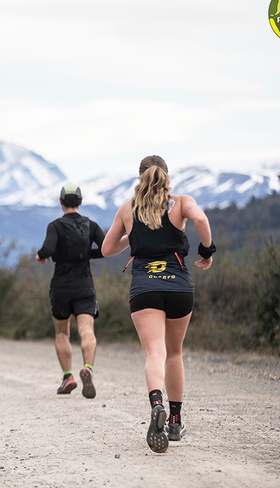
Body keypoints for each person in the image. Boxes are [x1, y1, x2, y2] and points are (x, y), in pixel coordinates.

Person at [101, 155, 215, 453]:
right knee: (174, 353)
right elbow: (201, 220)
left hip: (145, 289)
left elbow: (107, 248)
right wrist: (206, 251)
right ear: (166, 175)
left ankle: (156, 404)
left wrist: (132, 236)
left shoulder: (127, 209)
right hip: (179, 287)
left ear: (140, 177)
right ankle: (175, 421)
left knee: (155, 352)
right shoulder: (182, 203)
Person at [35, 182, 107, 399]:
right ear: (81, 202)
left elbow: (48, 248)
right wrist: (86, 253)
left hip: (61, 287)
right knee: (86, 330)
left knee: (62, 333)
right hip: (84, 286)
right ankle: (88, 368)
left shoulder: (55, 226)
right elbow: (105, 249)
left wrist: (41, 255)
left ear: (60, 202)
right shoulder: (91, 225)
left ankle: (68, 377)